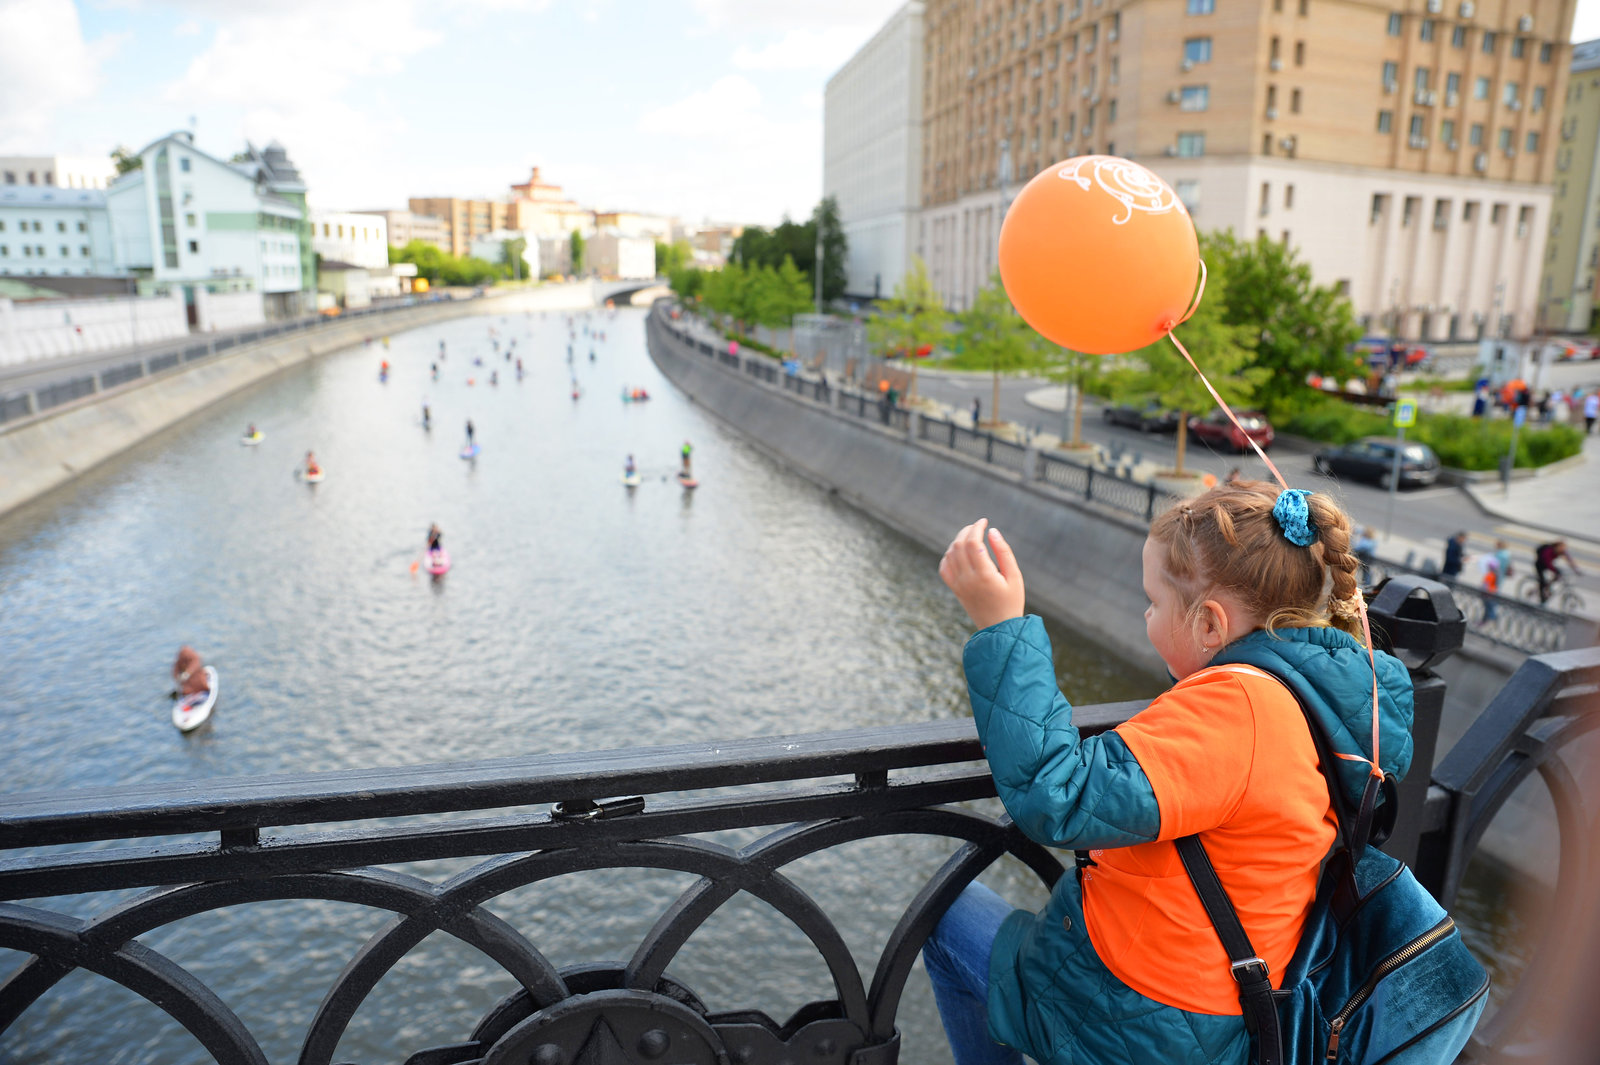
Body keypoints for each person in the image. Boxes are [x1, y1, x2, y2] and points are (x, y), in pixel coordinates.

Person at [928, 481, 1413, 1065]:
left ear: (1210, 625)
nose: (1145, 615)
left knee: (945, 913)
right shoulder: (1327, 699)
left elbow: (1058, 794)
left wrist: (999, 625)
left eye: (1154, 602)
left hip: (1141, 1023)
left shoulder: (1238, 712)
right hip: (1229, 1007)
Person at [1535, 540, 1582, 605]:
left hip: (1548, 565)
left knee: (1558, 575)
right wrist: (1554, 570)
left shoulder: (1562, 552)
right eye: (1562, 547)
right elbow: (1547, 562)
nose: (1563, 549)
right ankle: (1541, 597)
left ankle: (1547, 587)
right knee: (1542, 581)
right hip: (1540, 564)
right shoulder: (1549, 550)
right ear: (1557, 546)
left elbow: (1569, 561)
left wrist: (1576, 570)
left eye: (1564, 548)